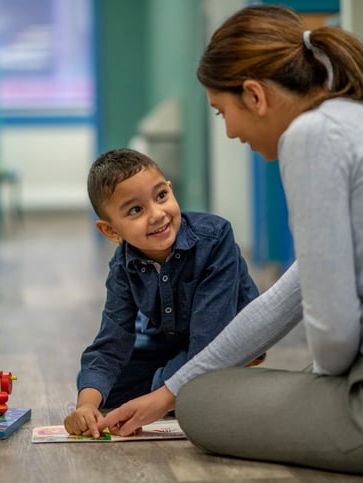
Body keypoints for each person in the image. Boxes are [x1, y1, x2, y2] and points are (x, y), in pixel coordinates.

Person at [98, 5, 363, 477]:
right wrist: (165, 392)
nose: (230, 131)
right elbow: (282, 300)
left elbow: (334, 345)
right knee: (196, 388)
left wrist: (187, 396)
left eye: (222, 112)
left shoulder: (311, 137)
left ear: (253, 95)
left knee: (202, 403)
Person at [64, 147, 260, 438]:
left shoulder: (215, 238)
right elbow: (111, 341)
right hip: (168, 341)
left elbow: (210, 338)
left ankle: (216, 373)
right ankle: (172, 381)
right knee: (97, 384)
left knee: (168, 384)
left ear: (170, 189)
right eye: (135, 210)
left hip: (221, 339)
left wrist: (164, 389)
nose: (157, 215)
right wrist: (86, 405)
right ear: (110, 231)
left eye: (161, 197)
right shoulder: (123, 265)